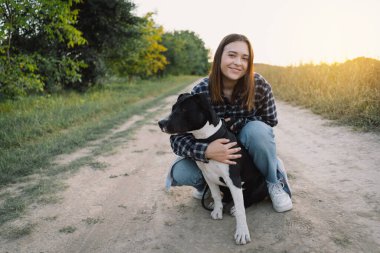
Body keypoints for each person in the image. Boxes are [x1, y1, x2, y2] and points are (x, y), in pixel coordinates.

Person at [165, 33, 292, 213]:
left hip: (244, 154)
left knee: (257, 131)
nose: (238, 62)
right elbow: (177, 139)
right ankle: (211, 188)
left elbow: (270, 121)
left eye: (244, 58)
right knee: (181, 171)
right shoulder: (201, 91)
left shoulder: (259, 85)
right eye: (232, 55)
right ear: (219, 57)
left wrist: (237, 124)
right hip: (214, 155)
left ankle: (272, 178)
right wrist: (206, 151)